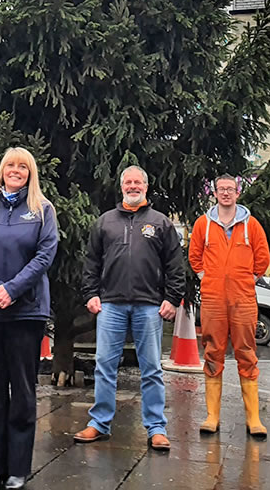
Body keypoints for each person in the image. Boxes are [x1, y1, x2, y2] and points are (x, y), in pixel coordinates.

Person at [0, 147, 58, 490]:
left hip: (25, 312)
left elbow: (45, 255)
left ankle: (18, 468)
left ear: (30, 172)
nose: (15, 171)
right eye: (10, 166)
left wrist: (13, 290)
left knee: (21, 390)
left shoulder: (42, 210)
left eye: (22, 166)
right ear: (1, 170)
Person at [72, 166, 184, 452]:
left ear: (146, 187)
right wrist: (91, 294)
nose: (133, 186)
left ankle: (156, 427)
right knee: (105, 366)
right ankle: (99, 423)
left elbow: (174, 265)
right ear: (121, 187)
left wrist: (172, 298)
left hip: (149, 307)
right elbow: (91, 262)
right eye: (128, 182)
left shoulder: (161, 223)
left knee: (151, 369)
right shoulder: (105, 222)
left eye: (138, 182)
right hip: (110, 305)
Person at [188, 175, 270, 438]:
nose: (225, 193)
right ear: (214, 193)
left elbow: (263, 258)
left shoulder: (252, 225)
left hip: (243, 299)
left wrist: (246, 280)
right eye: (221, 189)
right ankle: (212, 416)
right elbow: (194, 256)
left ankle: (253, 419)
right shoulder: (203, 224)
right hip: (213, 299)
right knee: (213, 352)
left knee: (247, 351)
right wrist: (208, 278)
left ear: (238, 193)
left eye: (230, 189)